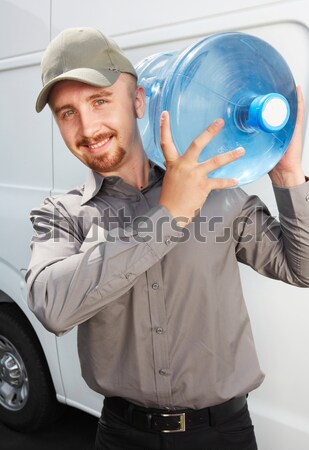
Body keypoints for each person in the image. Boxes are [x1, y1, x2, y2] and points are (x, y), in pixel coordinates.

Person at [26, 27, 309, 450]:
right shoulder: (62, 214)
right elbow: (52, 306)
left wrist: (289, 177)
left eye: (100, 101)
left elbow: (300, 269)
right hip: (122, 435)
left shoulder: (219, 193)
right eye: (67, 112)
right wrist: (168, 215)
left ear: (139, 100)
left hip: (222, 434)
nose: (87, 127)